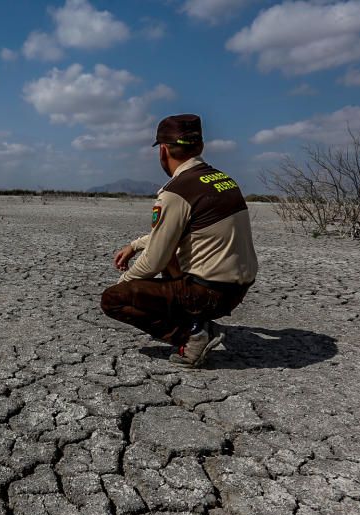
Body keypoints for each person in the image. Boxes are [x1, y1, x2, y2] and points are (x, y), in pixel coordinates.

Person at [101, 114, 258, 368]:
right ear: (201, 146)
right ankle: (198, 323)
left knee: (113, 299)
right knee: (168, 252)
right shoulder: (224, 181)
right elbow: (176, 233)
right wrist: (135, 245)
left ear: (163, 150)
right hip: (237, 289)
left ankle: (194, 335)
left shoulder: (176, 192)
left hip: (208, 293)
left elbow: (153, 262)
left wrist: (124, 284)